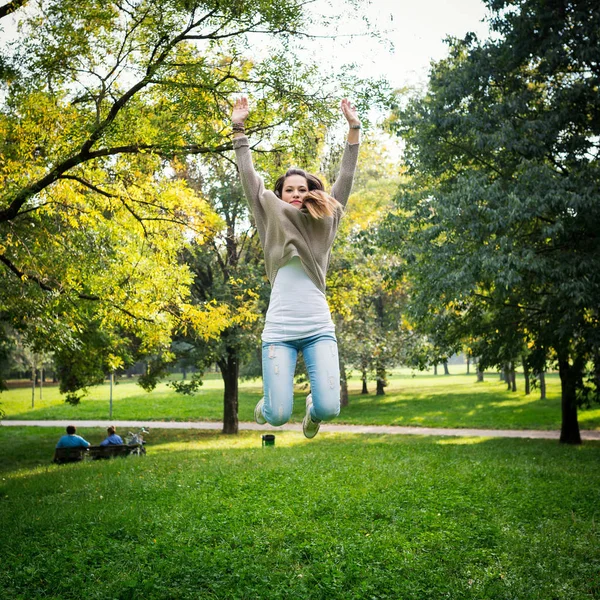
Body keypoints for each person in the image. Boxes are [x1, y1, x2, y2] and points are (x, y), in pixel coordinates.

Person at [232, 96, 360, 438]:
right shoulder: (269, 214)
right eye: (289, 189)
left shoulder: (325, 221)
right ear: (281, 193)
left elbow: (345, 178)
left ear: (310, 193)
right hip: (279, 330)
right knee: (275, 416)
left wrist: (354, 129)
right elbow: (248, 176)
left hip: (318, 325)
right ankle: (265, 407)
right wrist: (239, 129)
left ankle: (312, 412)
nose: (295, 194)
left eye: (302, 189)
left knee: (330, 408)